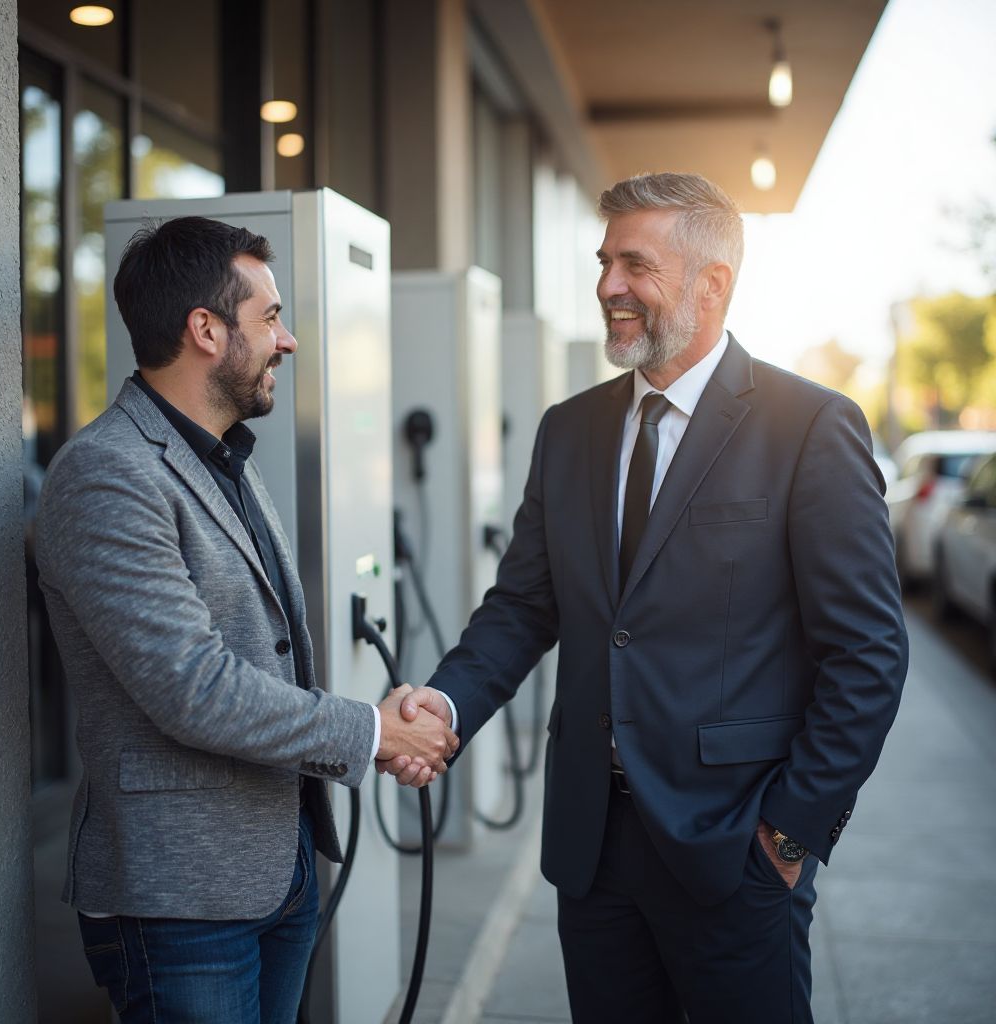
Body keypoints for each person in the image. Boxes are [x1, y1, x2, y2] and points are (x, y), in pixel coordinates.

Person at [381, 172, 908, 1023]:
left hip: (735, 850)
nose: (607, 288)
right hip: (593, 851)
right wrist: (441, 707)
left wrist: (788, 834)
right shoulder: (570, 428)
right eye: (603, 263)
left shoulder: (810, 425)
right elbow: (522, 608)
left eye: (635, 265)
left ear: (713, 284)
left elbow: (869, 656)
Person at [35, 216, 457, 1023]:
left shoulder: (224, 456)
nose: (288, 340)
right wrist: (372, 731)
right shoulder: (106, 475)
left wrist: (377, 722)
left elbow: (264, 652)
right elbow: (191, 686)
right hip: (181, 900)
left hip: (277, 864)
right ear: (205, 330)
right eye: (269, 317)